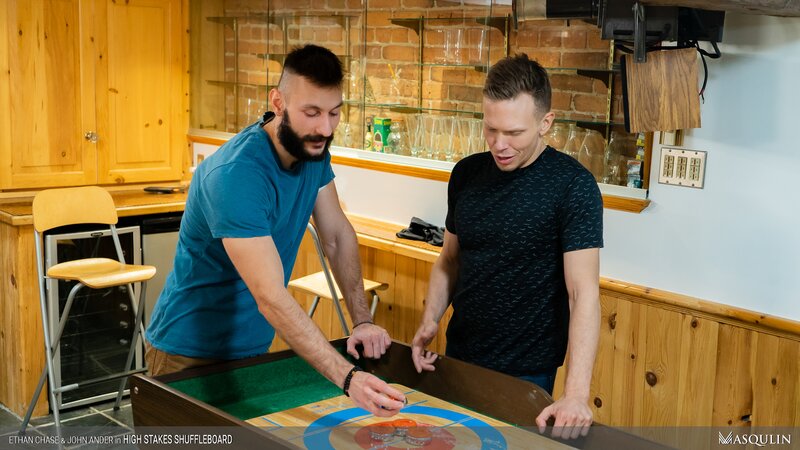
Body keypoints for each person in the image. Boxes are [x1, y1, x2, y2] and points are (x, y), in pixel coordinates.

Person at [145, 44, 405, 417]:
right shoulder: (237, 175)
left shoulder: (313, 151)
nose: (325, 128)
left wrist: (361, 319)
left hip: (252, 347)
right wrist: (348, 378)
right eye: (311, 113)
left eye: (334, 113)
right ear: (278, 102)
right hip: (187, 352)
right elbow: (269, 296)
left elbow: (336, 235)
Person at [410, 54, 603, 439]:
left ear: (545, 123)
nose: (500, 144)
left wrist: (576, 395)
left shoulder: (573, 187)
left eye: (514, 133)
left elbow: (584, 293)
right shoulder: (466, 173)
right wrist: (430, 320)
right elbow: (450, 259)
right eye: (491, 129)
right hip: (460, 356)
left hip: (528, 371)